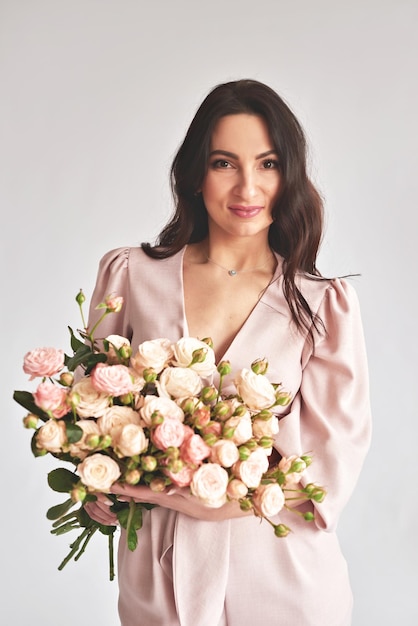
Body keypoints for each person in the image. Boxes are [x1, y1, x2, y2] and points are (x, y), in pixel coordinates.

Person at [85, 79, 372, 626]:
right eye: (224, 163)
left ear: (289, 175)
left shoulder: (321, 305)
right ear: (195, 173)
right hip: (157, 582)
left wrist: (177, 495)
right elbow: (95, 411)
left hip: (282, 583)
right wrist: (97, 485)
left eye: (267, 164)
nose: (247, 187)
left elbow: (323, 477)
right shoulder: (131, 275)